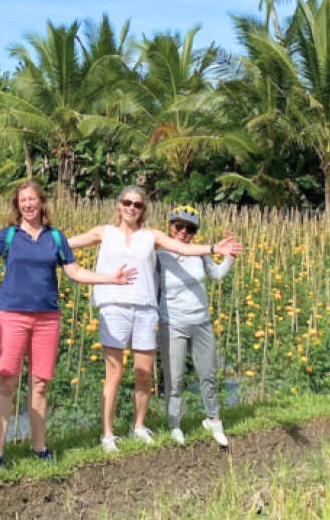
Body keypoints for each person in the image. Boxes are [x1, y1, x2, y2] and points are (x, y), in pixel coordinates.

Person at [0, 181, 137, 469]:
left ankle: (39, 448)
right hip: (12, 317)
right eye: (22, 200)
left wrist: (111, 278)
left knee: (40, 384)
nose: (28, 204)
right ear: (17, 205)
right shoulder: (8, 236)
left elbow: (75, 272)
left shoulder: (56, 237)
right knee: (7, 382)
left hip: (47, 319)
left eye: (32, 199)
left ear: (42, 203)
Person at [68, 187, 242, 452]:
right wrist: (37, 241)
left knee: (145, 374)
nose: (131, 208)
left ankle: (139, 426)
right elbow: (67, 242)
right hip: (117, 308)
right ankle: (108, 434)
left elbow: (186, 252)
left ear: (143, 209)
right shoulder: (107, 233)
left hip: (148, 311)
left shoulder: (152, 237)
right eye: (127, 202)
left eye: (137, 204)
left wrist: (216, 249)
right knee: (114, 374)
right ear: (119, 205)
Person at [157, 206, 234, 446]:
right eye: (178, 226)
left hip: (201, 322)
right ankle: (175, 424)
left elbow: (217, 275)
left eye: (189, 229)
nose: (183, 232)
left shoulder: (201, 253)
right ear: (170, 227)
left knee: (208, 374)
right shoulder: (159, 254)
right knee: (175, 378)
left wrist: (230, 257)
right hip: (173, 323)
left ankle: (214, 421)